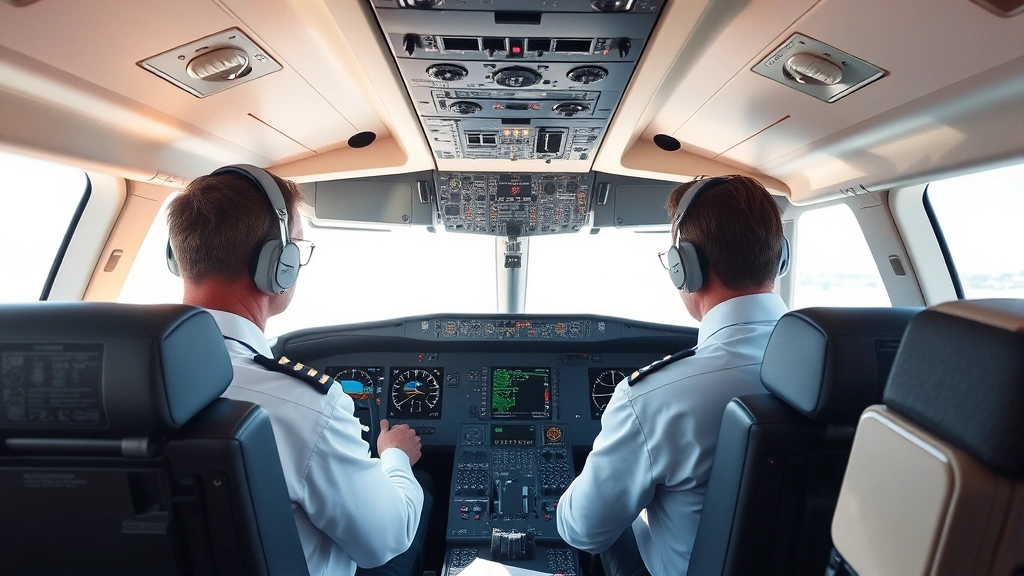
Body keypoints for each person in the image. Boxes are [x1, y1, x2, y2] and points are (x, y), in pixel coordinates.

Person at [166, 164, 431, 576]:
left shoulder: (95, 383)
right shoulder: (306, 408)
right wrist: (394, 457)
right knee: (420, 497)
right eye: (298, 251)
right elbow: (384, 540)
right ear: (279, 264)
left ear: (177, 256)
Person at [555, 175, 790, 576]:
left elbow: (582, 530)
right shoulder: (853, 372)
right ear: (779, 257)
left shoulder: (651, 399)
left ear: (686, 268)